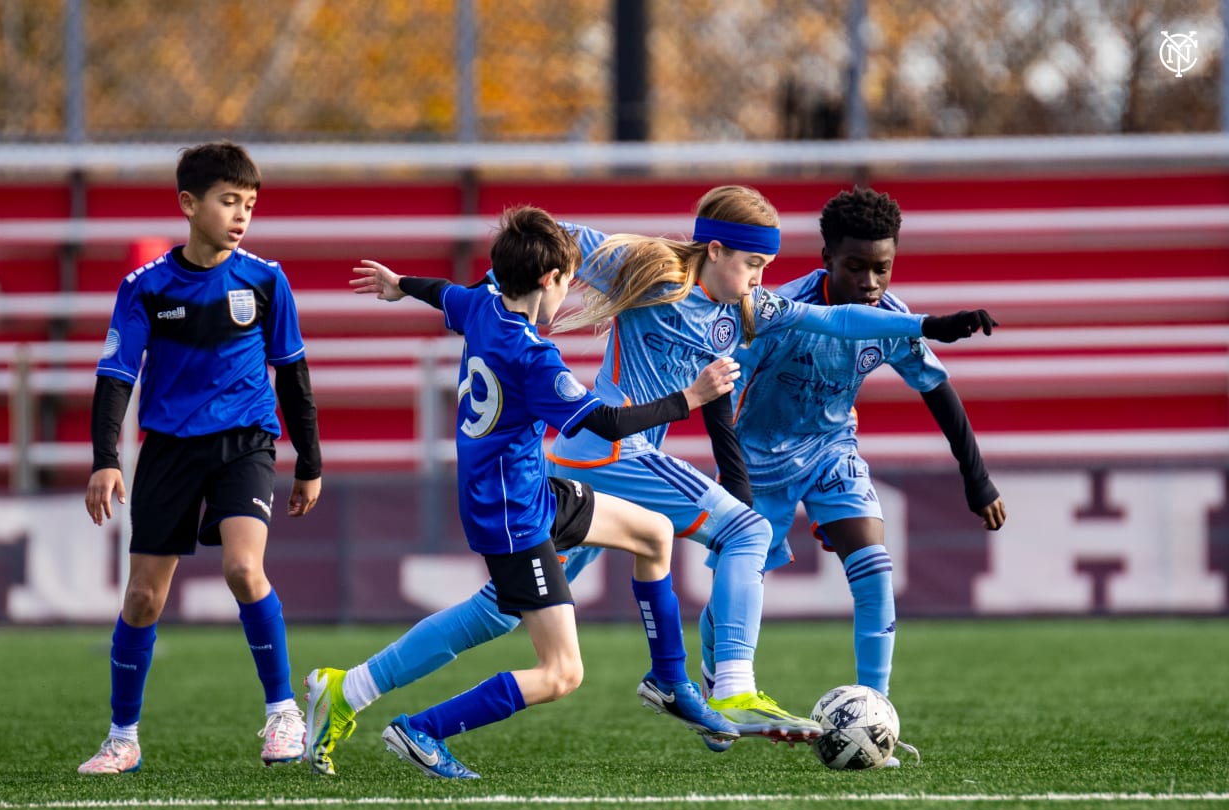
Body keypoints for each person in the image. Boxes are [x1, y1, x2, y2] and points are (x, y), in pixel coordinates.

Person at [306, 187, 995, 763]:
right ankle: (729, 684)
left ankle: (351, 689)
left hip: (590, 465)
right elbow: (553, 235)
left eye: (767, 266)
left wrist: (931, 323)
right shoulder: (651, 267)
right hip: (608, 450)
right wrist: (517, 272)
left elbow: (836, 316)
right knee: (746, 531)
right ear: (715, 250)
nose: (760, 279)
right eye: (751, 263)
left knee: (504, 609)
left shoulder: (747, 310)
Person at [305, 206, 740, 779]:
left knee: (653, 534)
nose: (572, 294)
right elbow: (605, 424)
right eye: (569, 280)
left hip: (525, 490)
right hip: (513, 515)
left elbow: (446, 294)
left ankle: (669, 680)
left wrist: (399, 286)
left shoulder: (484, 304)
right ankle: (420, 730)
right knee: (561, 672)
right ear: (547, 280)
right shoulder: (533, 357)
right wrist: (691, 398)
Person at [717, 187, 1005, 763]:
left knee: (874, 569)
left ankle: (876, 718)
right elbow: (720, 384)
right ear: (826, 258)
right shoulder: (778, 312)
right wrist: (733, 471)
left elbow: (938, 390)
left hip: (831, 452)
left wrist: (977, 478)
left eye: (882, 268)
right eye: (856, 267)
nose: (871, 282)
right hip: (760, 462)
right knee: (741, 582)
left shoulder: (889, 318)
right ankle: (718, 691)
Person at [78, 141, 323, 775]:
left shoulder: (267, 280)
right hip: (167, 451)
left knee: (244, 570)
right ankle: (122, 737)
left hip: (245, 444)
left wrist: (310, 462)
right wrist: (107, 457)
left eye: (249, 204)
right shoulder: (146, 288)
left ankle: (282, 713)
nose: (241, 215)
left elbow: (292, 376)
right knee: (142, 600)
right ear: (189, 204)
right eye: (228, 201)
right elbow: (115, 376)